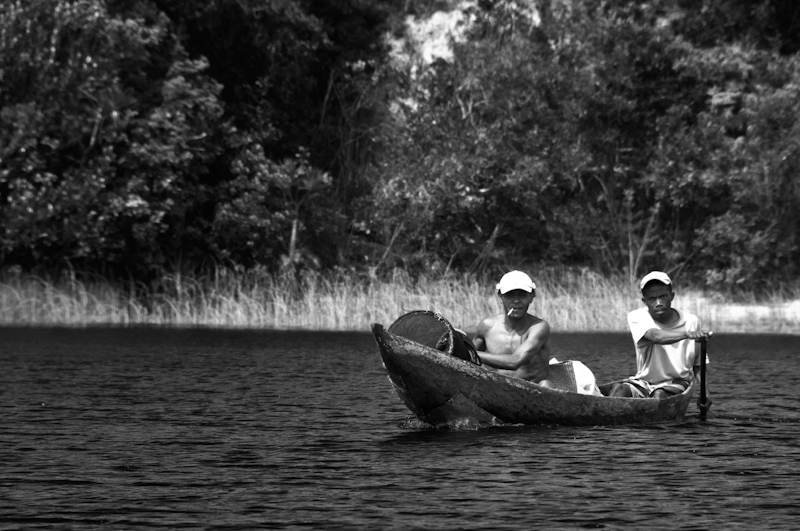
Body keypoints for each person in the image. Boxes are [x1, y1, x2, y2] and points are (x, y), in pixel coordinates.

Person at [609, 271, 712, 402]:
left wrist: (706, 393)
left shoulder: (691, 321)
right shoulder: (637, 317)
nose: (658, 303)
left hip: (677, 382)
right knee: (618, 389)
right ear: (644, 301)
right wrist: (687, 334)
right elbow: (655, 336)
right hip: (644, 383)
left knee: (659, 395)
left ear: (672, 296)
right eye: (652, 299)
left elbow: (698, 364)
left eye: (663, 296)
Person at [472, 270, 555, 387]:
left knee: (546, 385)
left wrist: (470, 352)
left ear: (532, 296)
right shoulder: (487, 326)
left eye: (522, 295)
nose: (516, 300)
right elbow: (466, 360)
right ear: (500, 296)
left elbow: (515, 361)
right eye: (510, 295)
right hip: (495, 390)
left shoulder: (539, 327)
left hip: (532, 392)